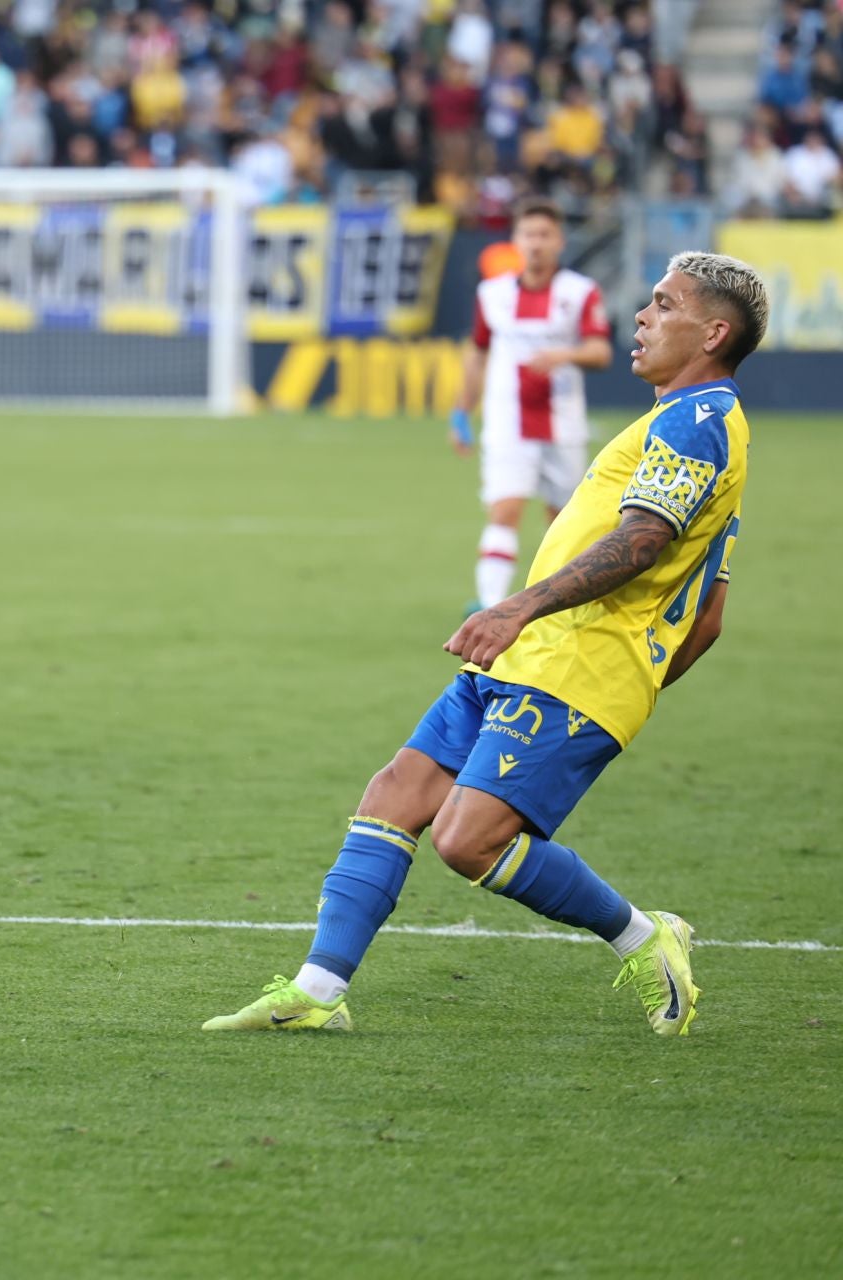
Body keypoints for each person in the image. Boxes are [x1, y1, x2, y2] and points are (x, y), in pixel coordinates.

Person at [205, 252, 767, 1038]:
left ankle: (645, 938)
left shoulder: (698, 425)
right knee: (396, 792)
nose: (641, 317)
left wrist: (535, 623)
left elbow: (642, 543)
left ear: (712, 331)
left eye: (664, 305)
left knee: (468, 841)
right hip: (535, 657)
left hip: (569, 665)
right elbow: (708, 615)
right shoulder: (687, 425)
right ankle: (318, 990)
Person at [451, 201, 612, 612]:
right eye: (529, 235)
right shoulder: (492, 295)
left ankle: (560, 604)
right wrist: (460, 412)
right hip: (507, 421)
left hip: (563, 423)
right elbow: (477, 354)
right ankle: (490, 605)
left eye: (545, 235)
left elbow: (600, 351)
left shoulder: (580, 292)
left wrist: (561, 356)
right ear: (516, 241)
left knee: (565, 523)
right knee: (504, 509)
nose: (537, 244)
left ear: (559, 241)